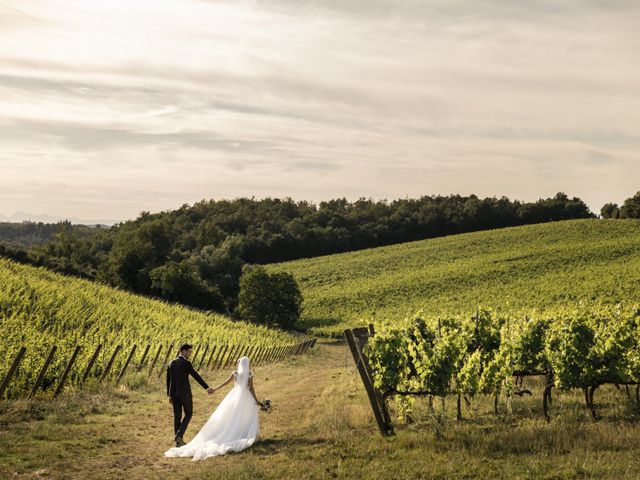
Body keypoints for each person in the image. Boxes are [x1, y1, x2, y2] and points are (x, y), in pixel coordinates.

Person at [164, 356, 262, 461]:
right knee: (245, 415)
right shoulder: (250, 374)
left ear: (240, 364)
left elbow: (225, 383)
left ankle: (179, 437)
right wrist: (257, 401)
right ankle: (245, 433)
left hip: (235, 396)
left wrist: (215, 389)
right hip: (246, 397)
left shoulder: (235, 373)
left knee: (233, 415)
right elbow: (251, 389)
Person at [166, 344, 215, 447]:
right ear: (183, 351)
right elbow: (196, 376)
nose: (190, 354)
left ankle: (178, 442)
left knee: (177, 417)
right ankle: (179, 435)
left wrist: (169, 395)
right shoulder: (186, 363)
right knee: (188, 414)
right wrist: (207, 387)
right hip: (185, 394)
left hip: (174, 394)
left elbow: (168, 380)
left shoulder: (171, 363)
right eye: (189, 352)